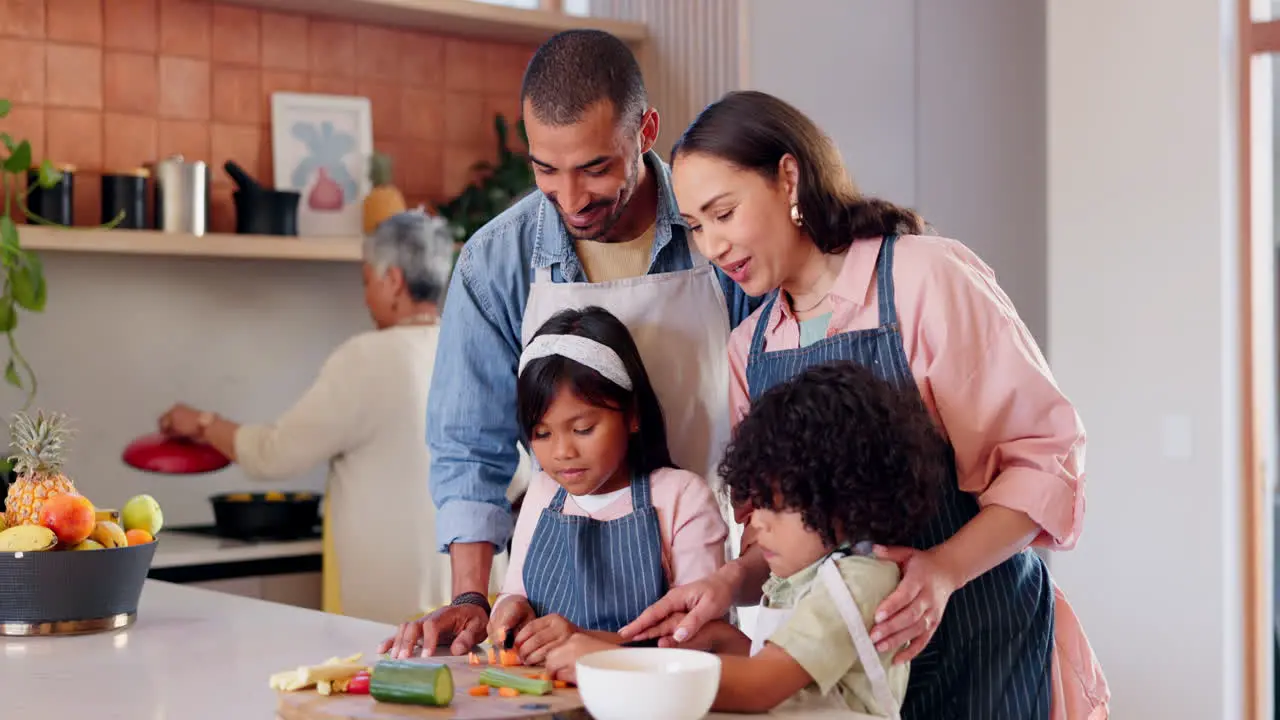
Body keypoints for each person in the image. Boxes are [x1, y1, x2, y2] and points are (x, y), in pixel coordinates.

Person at [620, 91, 1110, 719]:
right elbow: (776, 528)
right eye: (696, 226)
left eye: (724, 213)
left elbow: (1045, 464)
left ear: (788, 177)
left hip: (985, 640)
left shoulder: (924, 279)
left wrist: (941, 570)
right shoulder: (751, 348)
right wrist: (724, 583)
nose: (712, 245)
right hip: (851, 675)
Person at [379, 30, 759, 659]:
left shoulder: (715, 234)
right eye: (546, 170)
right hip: (559, 642)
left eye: (596, 167)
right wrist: (474, 600)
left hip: (714, 576)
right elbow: (469, 450)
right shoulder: (495, 260)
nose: (572, 200)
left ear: (646, 130)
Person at [157, 210, 523, 625]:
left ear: (393, 281)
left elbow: (274, 453)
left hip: (390, 606)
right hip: (475, 596)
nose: (366, 298)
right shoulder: (474, 348)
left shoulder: (366, 358)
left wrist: (204, 424)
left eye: (367, 281)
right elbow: (519, 474)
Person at [547, 361, 948, 718]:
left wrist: (614, 662)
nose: (757, 526)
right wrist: (602, 643)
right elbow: (772, 661)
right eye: (756, 505)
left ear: (845, 501)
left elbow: (761, 682)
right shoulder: (798, 575)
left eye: (777, 506)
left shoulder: (859, 580)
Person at [483, 306, 727, 665]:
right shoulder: (541, 493)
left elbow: (698, 636)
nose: (563, 452)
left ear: (632, 415)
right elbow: (515, 591)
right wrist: (509, 610)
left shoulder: (681, 497)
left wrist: (585, 641)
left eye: (582, 429)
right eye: (542, 434)